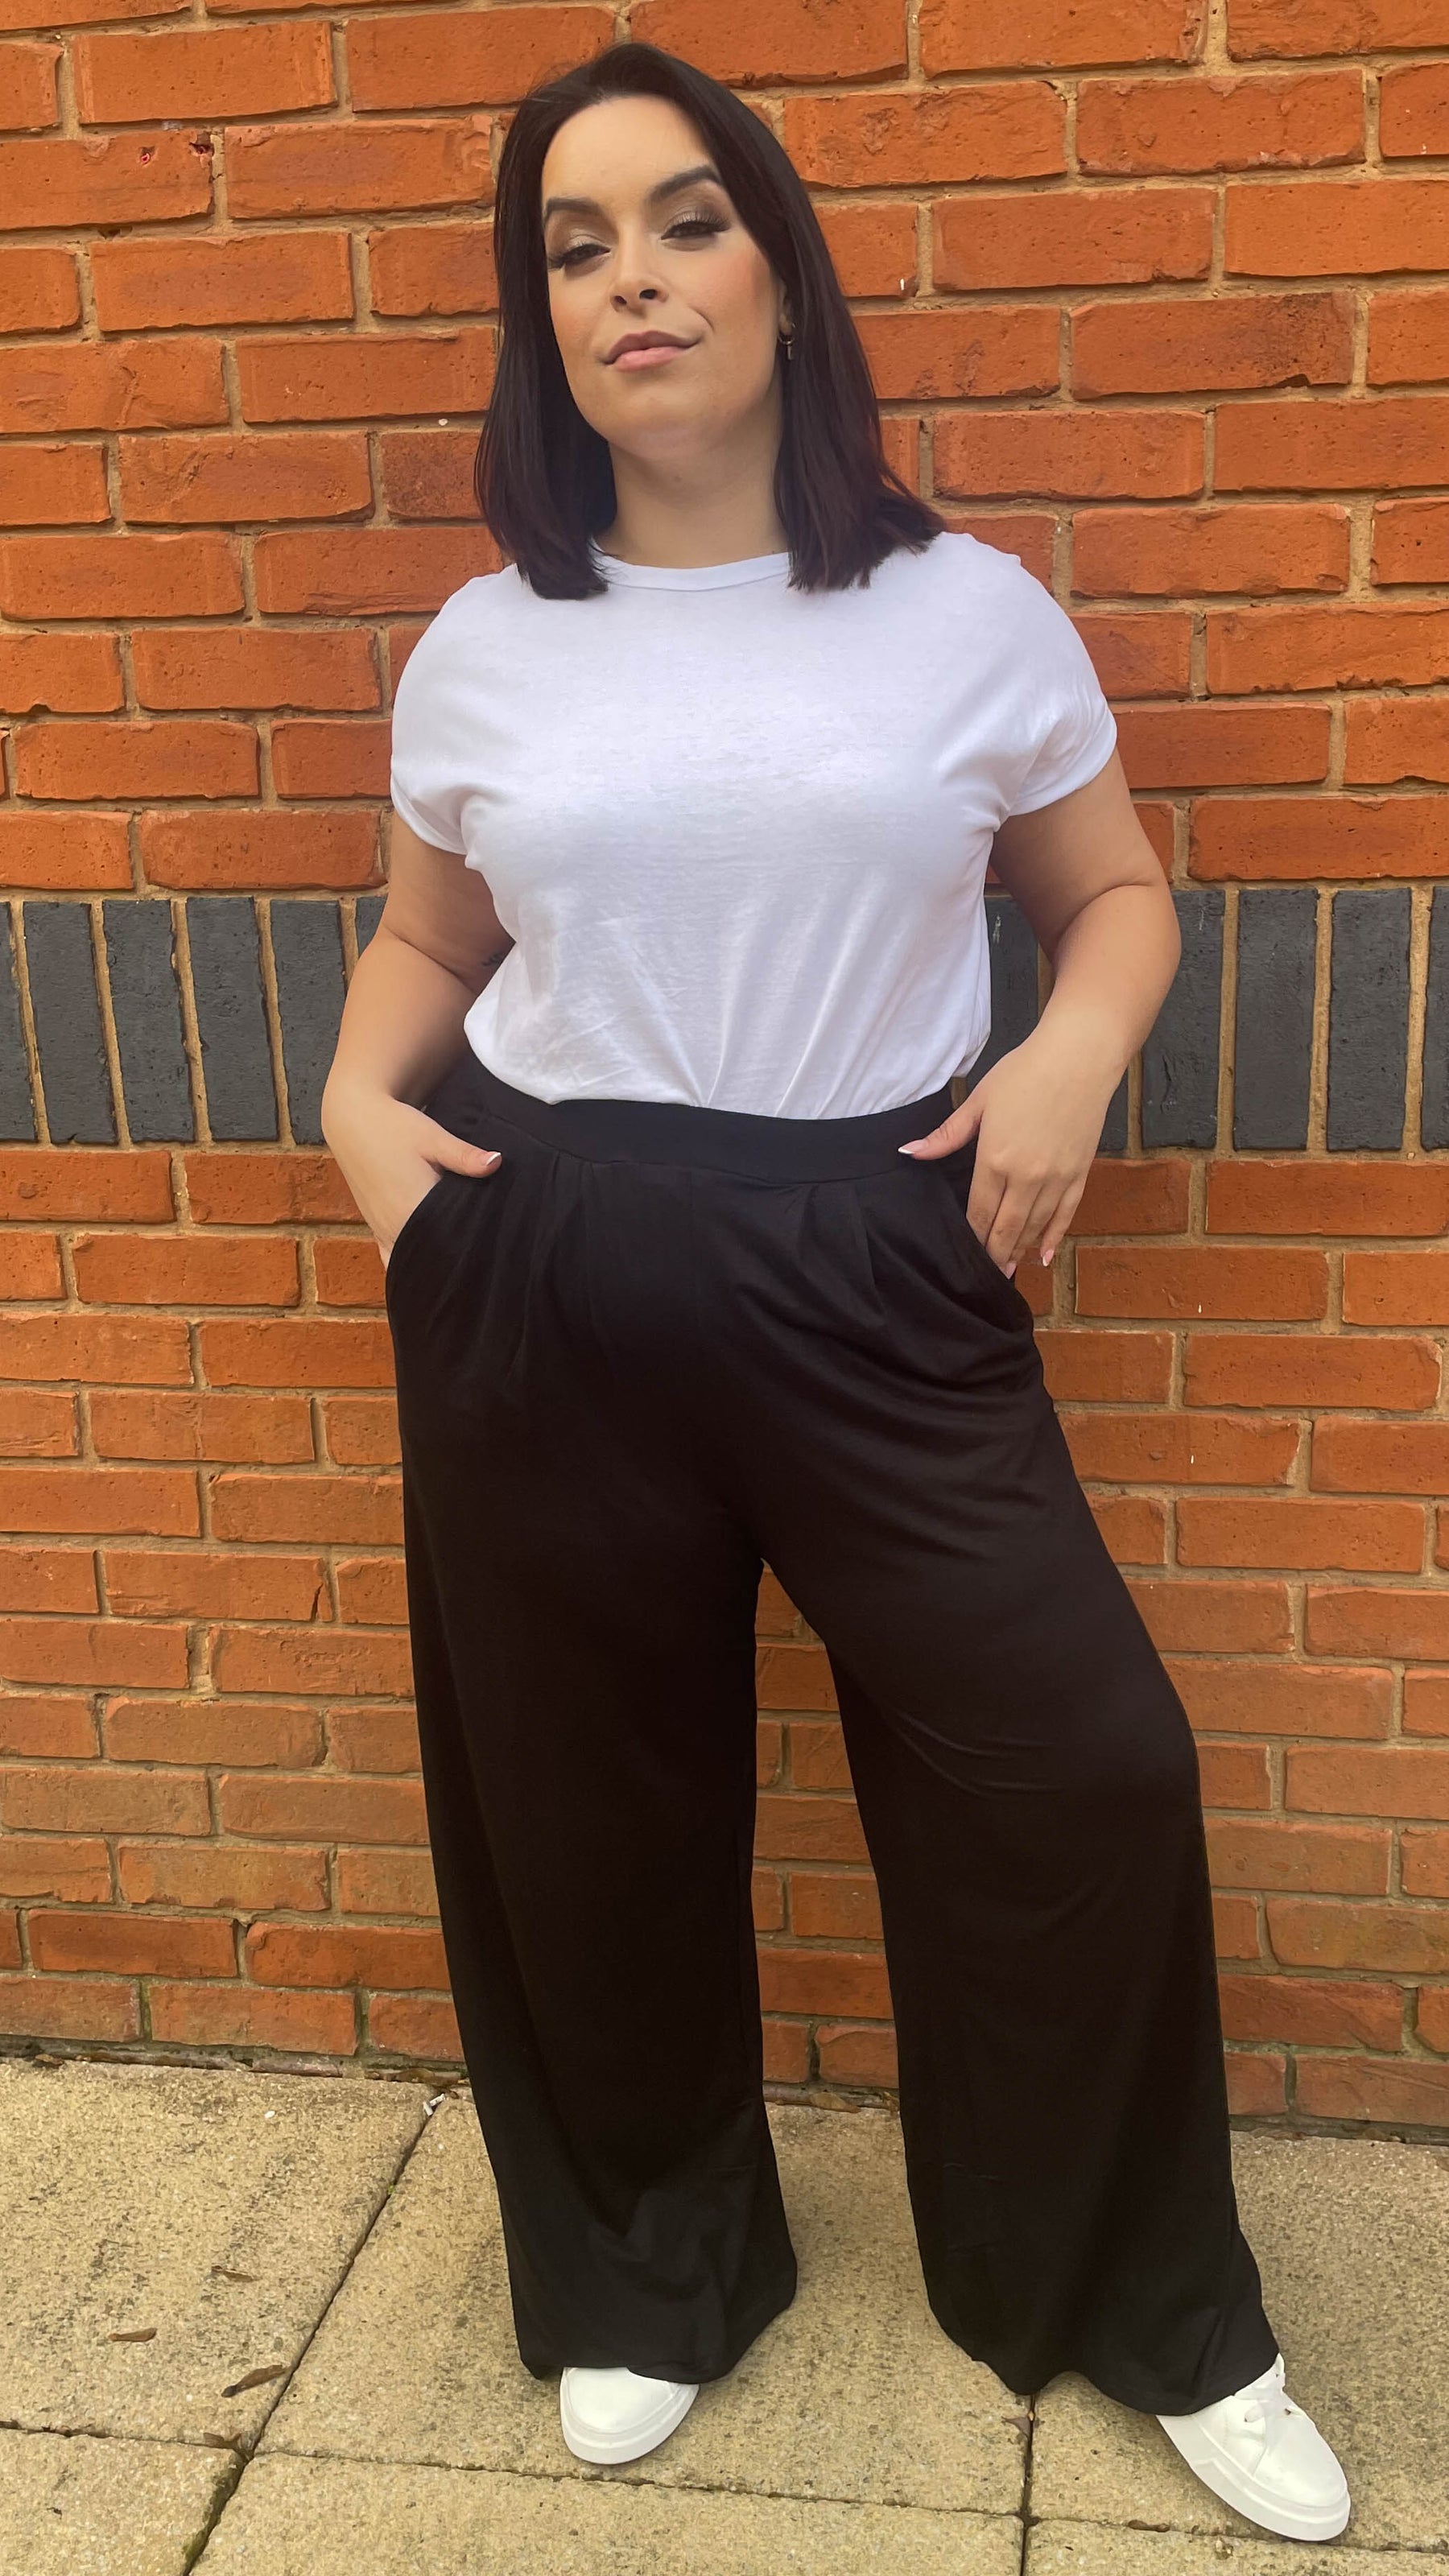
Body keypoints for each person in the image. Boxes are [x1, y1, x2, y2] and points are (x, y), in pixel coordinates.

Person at [320, 37, 1351, 2544]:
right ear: (540, 320)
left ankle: (1141, 2301)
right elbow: (431, 936)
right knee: (584, 1802)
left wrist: (1068, 1060)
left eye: (686, 221)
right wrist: (357, 1111)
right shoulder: (487, 643)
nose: (634, 280)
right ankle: (648, 2271)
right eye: (575, 247)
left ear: (781, 273)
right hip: (550, 1256)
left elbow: (1113, 895)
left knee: (1081, 1764)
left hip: (884, 1258)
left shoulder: (959, 611)